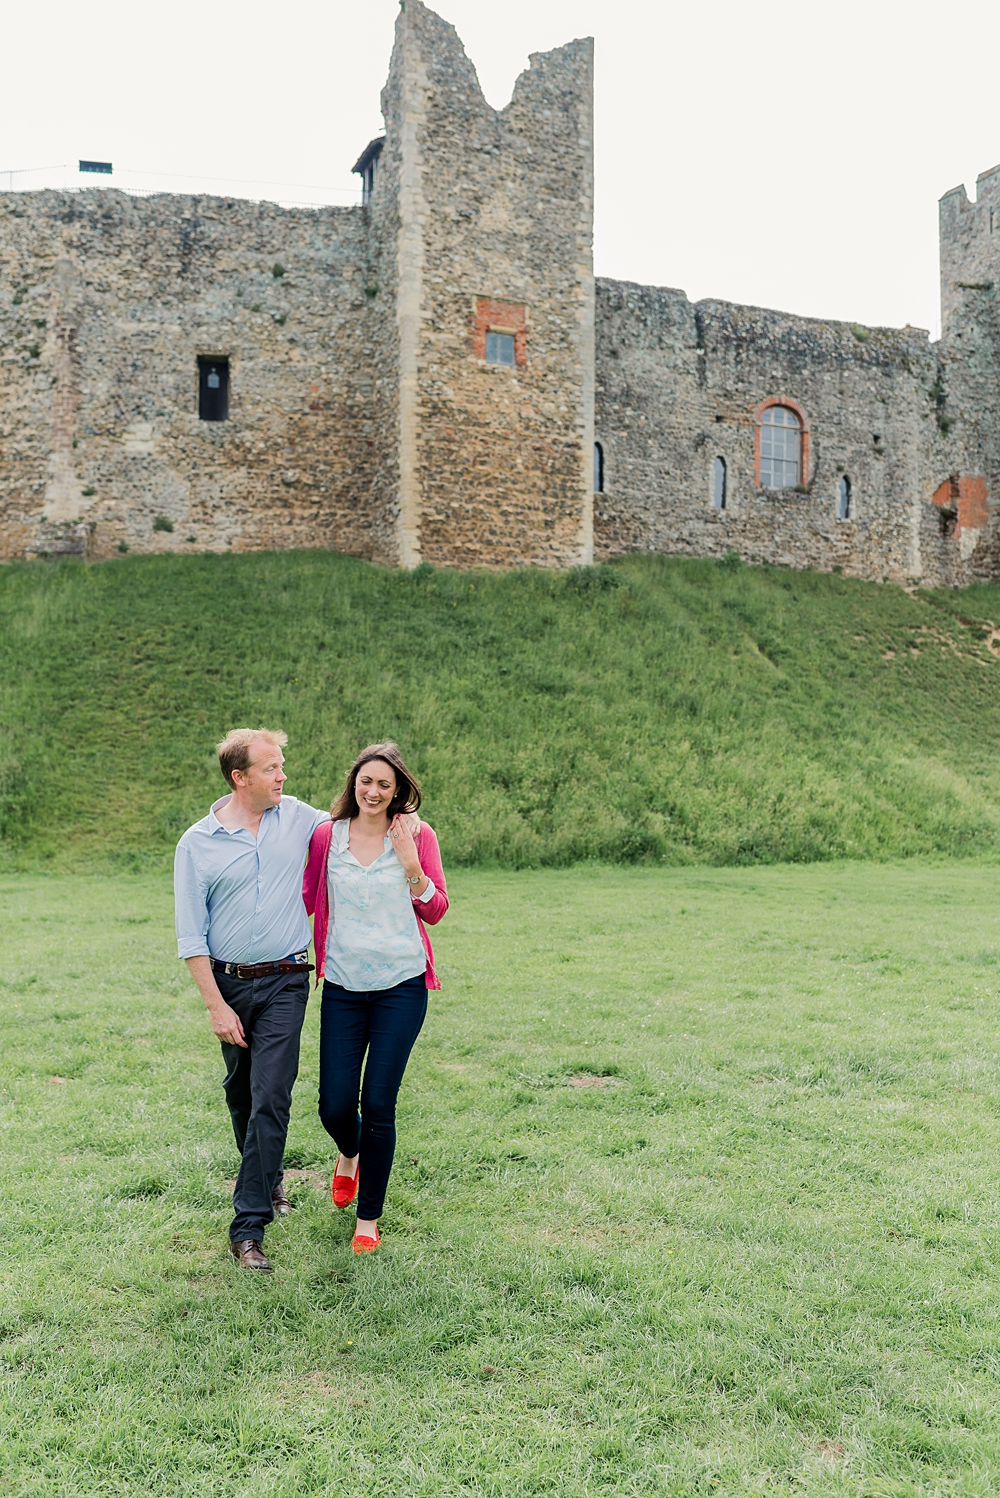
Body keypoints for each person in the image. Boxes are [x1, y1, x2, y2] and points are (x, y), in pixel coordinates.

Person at [174, 727, 330, 1271]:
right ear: (240, 778)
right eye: (271, 768)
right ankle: (272, 1180)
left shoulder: (302, 819)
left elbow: (357, 818)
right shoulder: (197, 844)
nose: (283, 776)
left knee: (271, 1096)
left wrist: (402, 815)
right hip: (230, 984)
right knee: (241, 1094)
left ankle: (248, 1228)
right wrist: (216, 1006)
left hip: (287, 979)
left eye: (282, 765)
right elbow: (191, 936)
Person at [302, 742, 448, 1254]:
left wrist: (411, 865)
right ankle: (348, 1153)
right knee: (335, 1106)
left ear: (398, 790)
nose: (373, 791)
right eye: (367, 781)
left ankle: (368, 1218)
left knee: (379, 1102)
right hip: (342, 987)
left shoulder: (417, 835)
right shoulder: (327, 836)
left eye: (384, 784)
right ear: (354, 784)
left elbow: (436, 911)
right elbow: (304, 897)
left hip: (401, 988)